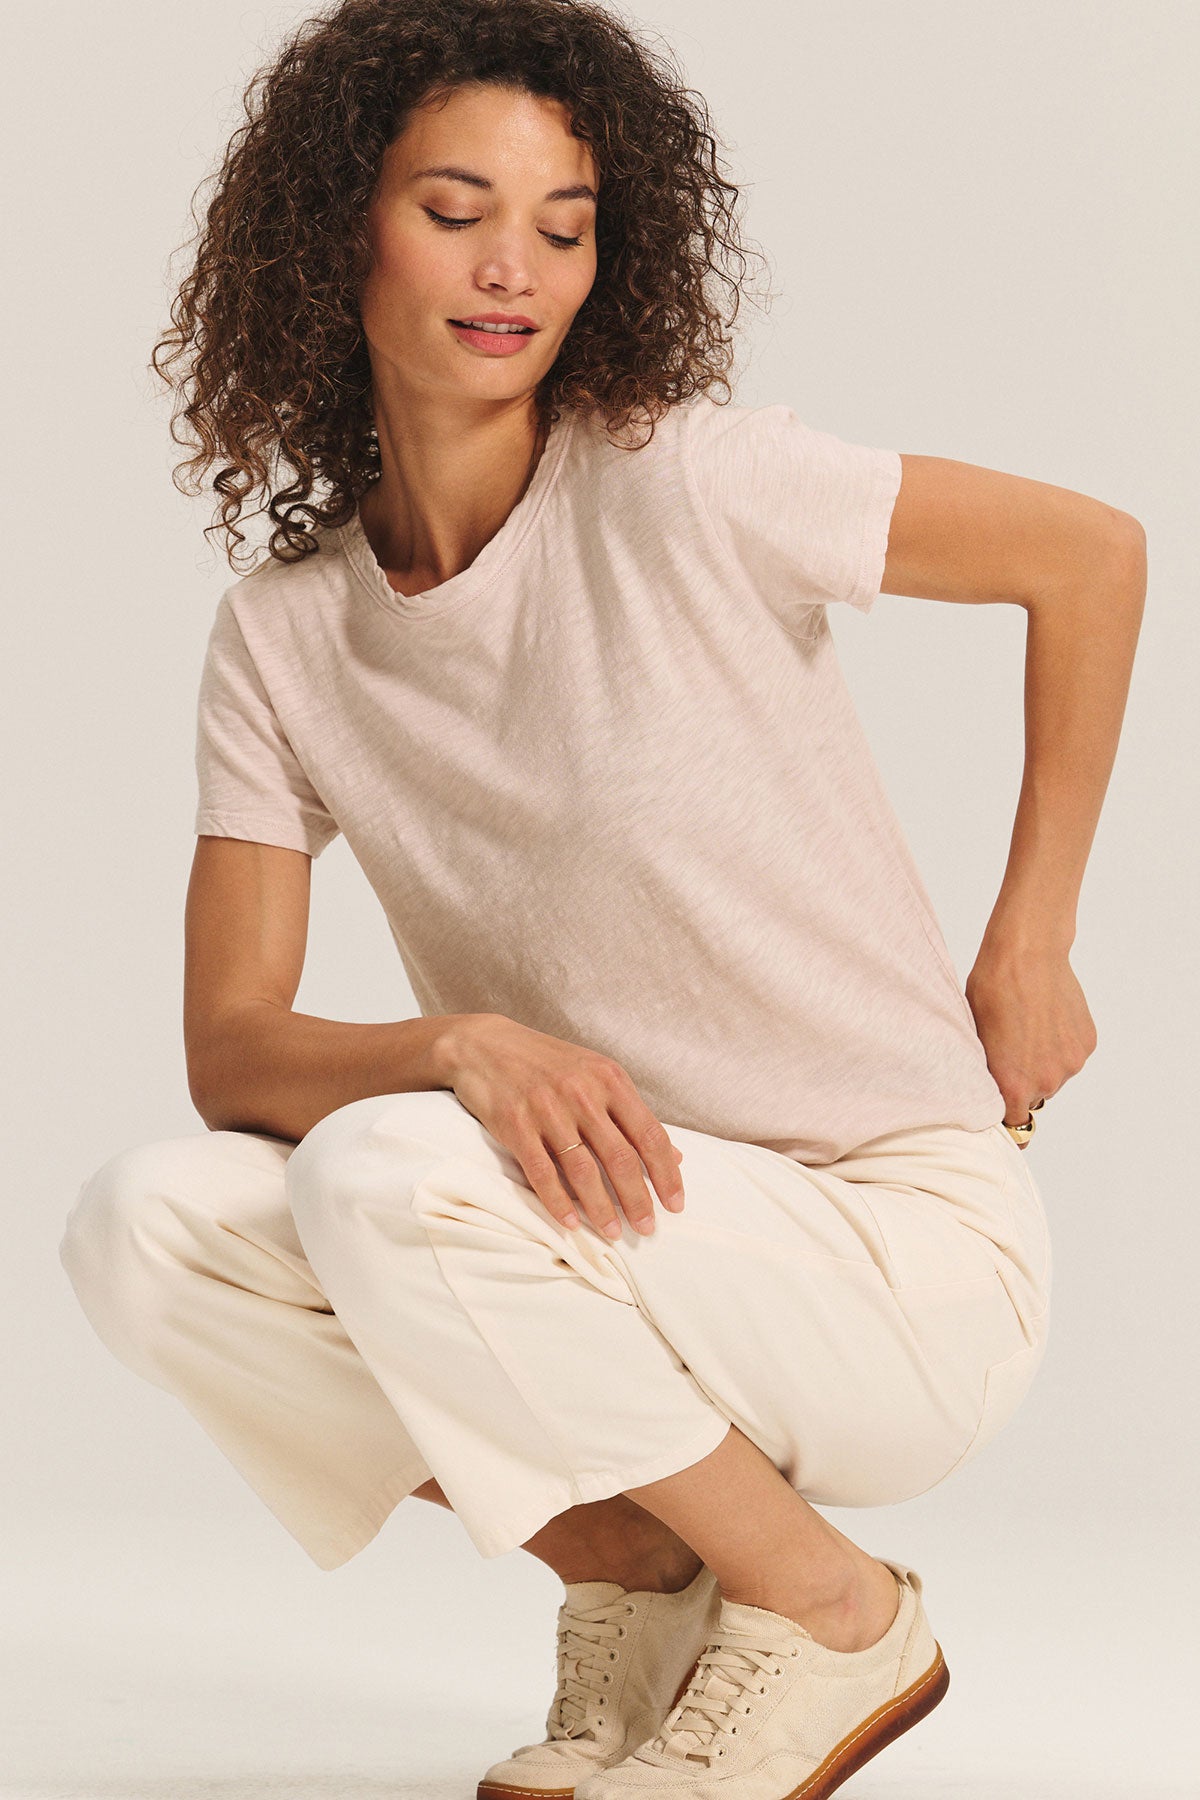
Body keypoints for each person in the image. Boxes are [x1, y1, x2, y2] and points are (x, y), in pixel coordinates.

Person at [58, 2, 1146, 1797]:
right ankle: (640, 1568)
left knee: (387, 1170)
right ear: (336, 232)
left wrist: (1034, 932)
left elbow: (1089, 557)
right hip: (605, 1228)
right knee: (146, 1228)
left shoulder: (687, 479)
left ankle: (833, 1613)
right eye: (457, 212)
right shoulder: (284, 636)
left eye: (564, 228)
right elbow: (231, 1052)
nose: (516, 270)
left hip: (894, 1250)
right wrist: (462, 1044)